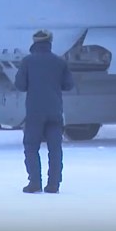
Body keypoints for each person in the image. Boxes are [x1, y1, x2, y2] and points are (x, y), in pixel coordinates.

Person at [14, 29, 74, 194]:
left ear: (34, 42)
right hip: (55, 111)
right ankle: (53, 184)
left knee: (31, 147)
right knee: (55, 149)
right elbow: (68, 85)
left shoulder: (27, 61)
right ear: (50, 42)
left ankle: (34, 183)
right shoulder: (59, 62)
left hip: (34, 112)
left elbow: (20, 85)